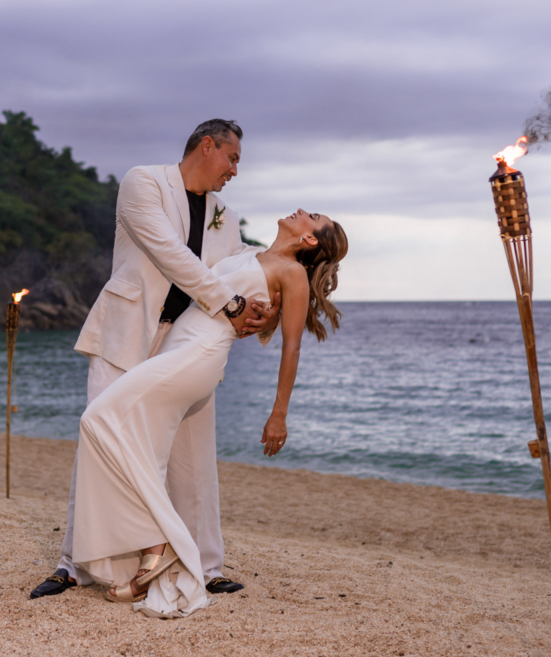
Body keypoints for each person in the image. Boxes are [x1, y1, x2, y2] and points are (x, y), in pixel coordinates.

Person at [31, 119, 279, 599]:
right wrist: (230, 305)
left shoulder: (224, 213)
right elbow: (169, 254)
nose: (233, 171)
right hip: (125, 332)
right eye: (232, 159)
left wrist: (275, 296)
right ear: (207, 146)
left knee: (193, 457)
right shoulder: (142, 181)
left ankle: (206, 566)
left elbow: (241, 264)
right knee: (100, 438)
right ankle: (72, 564)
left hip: (186, 343)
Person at [74, 209, 347, 617]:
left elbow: (292, 347)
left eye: (312, 216)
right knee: (141, 450)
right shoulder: (253, 254)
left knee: (97, 419)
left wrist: (279, 414)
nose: (300, 212)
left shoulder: (291, 274)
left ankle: (157, 546)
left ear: (310, 240)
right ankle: (148, 556)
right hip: (179, 346)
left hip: (198, 355)